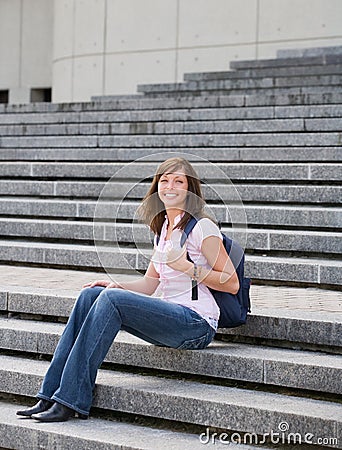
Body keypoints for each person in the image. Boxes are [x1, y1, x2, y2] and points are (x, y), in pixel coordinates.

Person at [17, 157, 239, 422]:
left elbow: (231, 281)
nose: (170, 186)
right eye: (164, 180)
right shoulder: (164, 229)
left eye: (178, 181)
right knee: (92, 295)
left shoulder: (202, 227)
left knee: (111, 299)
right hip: (173, 316)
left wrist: (187, 267)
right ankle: (49, 395)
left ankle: (70, 400)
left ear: (190, 189)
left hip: (197, 324)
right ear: (157, 187)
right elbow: (149, 284)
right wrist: (115, 285)